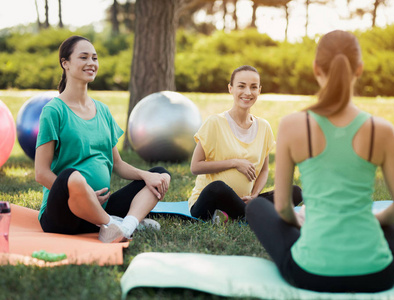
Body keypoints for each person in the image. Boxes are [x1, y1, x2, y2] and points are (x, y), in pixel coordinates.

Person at [246, 30, 394, 293]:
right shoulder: (380, 130)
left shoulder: (292, 125)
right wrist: (376, 220)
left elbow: (282, 208)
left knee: (257, 207)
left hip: (310, 274)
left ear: (316, 68)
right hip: (377, 277)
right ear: (359, 69)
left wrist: (301, 222)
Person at [35, 35, 171, 243]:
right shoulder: (53, 111)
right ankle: (111, 223)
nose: (91, 63)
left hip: (101, 208)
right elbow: (41, 173)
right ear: (66, 64)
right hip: (64, 214)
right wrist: (85, 196)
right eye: (83, 57)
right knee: (71, 175)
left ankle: (124, 226)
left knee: (161, 175)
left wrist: (146, 175)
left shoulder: (103, 111)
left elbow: (117, 164)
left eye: (94, 58)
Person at [188, 65, 302, 223]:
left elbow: (264, 170)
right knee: (217, 187)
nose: (248, 92)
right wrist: (235, 163)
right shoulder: (215, 123)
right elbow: (195, 167)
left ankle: (243, 213)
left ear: (259, 90)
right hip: (209, 202)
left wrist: (255, 195)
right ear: (231, 88)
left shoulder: (264, 127)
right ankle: (255, 214)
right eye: (241, 86)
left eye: (253, 87)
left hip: (244, 202)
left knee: (295, 192)